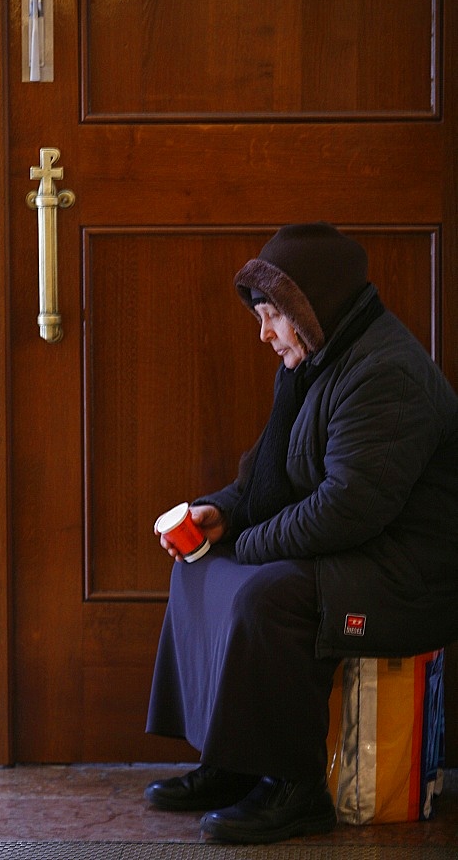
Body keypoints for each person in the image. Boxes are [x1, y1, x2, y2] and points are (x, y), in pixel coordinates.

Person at [144, 222, 458, 845]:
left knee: (271, 596)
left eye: (271, 316)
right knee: (198, 564)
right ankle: (233, 762)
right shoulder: (317, 359)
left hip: (411, 571)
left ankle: (295, 787)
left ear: (312, 309)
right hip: (363, 547)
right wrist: (223, 517)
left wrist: (250, 545)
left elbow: (347, 509)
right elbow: (270, 475)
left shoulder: (384, 374)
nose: (263, 333)